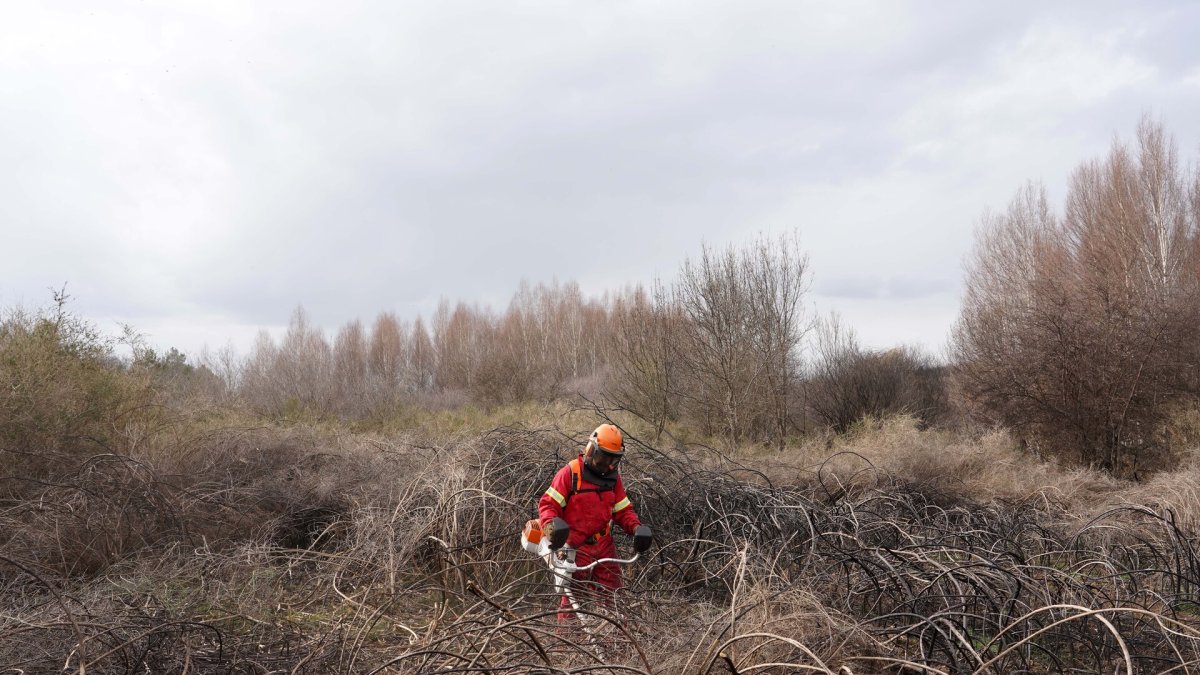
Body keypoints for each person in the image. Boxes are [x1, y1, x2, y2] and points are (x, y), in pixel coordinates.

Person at [538, 423, 651, 624]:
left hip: (604, 547)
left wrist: (636, 528)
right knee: (571, 608)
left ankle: (616, 647)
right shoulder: (571, 474)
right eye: (604, 458)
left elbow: (623, 510)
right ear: (591, 450)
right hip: (574, 548)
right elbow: (548, 505)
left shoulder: (613, 480)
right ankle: (565, 650)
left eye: (613, 460)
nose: (608, 465)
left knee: (615, 604)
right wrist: (551, 527)